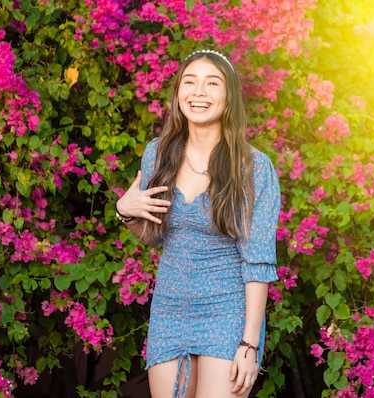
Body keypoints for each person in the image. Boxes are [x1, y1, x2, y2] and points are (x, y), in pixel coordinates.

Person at [114, 49, 281, 398]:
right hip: (170, 308)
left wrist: (249, 344)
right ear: (178, 95)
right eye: (189, 82)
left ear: (229, 95)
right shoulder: (158, 153)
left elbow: (258, 262)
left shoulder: (253, 168)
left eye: (212, 83)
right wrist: (125, 211)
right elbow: (152, 234)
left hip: (227, 310)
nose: (199, 92)